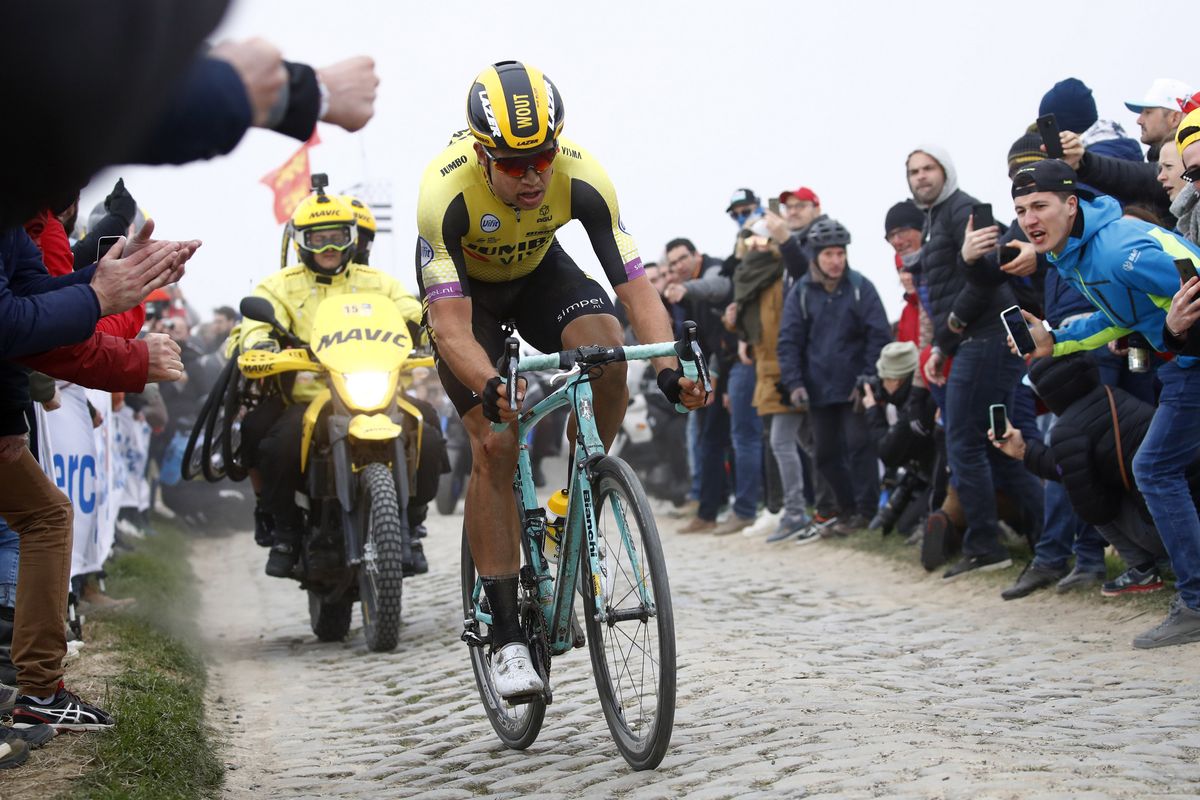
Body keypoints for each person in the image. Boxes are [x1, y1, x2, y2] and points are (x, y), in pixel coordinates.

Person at [415, 61, 705, 700]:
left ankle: (579, 491)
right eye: (514, 165)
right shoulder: (445, 193)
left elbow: (637, 289)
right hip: (468, 300)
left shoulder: (583, 175)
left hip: (540, 274)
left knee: (609, 350)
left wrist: (669, 368)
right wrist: (491, 385)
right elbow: (452, 328)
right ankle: (506, 637)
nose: (533, 177)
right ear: (482, 154)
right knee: (496, 440)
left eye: (542, 159)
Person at [1011, 158, 1200, 648]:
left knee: (1155, 468)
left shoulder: (1116, 250)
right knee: (1157, 467)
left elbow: (1193, 283)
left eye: (1040, 206)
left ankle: (1197, 602)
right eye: (1021, 210)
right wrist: (1053, 340)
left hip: (1191, 363)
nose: (1030, 219)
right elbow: (1118, 317)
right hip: (1183, 363)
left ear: (1071, 205)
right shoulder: (1077, 254)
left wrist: (1172, 330)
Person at [238, 189, 425, 578]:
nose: (329, 247)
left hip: (376, 390)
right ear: (300, 242)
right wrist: (262, 343)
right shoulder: (278, 286)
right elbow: (255, 324)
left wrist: (424, 329)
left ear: (352, 237)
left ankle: (412, 526)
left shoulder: (379, 282)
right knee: (276, 444)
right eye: (318, 239)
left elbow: (411, 310)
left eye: (338, 236)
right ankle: (286, 531)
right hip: (310, 397)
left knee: (431, 432)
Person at [910, 145, 1044, 579]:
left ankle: (986, 546)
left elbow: (987, 275)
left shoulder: (963, 209)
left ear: (945, 171)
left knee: (965, 442)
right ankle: (1049, 543)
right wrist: (944, 345)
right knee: (998, 445)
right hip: (984, 338)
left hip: (989, 336)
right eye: (914, 171)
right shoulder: (936, 218)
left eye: (929, 168)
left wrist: (949, 331)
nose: (921, 176)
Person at [992, 355, 1175, 599]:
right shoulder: (1114, 396)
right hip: (1185, 515)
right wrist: (1025, 451)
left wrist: (1088, 481)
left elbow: (1094, 511)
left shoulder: (1067, 429)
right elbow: (1064, 465)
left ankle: (1142, 570)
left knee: (1092, 501)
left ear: (1050, 392)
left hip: (1173, 530)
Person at [776, 218, 891, 536]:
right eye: (828, 254)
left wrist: (868, 377)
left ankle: (867, 512)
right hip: (818, 389)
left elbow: (879, 335)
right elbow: (789, 341)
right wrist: (795, 383)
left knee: (859, 447)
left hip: (855, 387)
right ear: (815, 256)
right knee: (825, 455)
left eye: (840, 253)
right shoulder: (801, 292)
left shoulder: (861, 287)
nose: (836, 260)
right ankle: (847, 510)